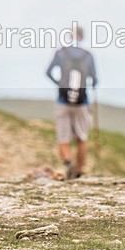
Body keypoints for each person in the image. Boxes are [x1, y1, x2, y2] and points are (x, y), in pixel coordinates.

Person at [46, 25, 97, 179]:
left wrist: (59, 84)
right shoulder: (88, 55)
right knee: (82, 138)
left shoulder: (61, 52)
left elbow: (48, 72)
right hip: (82, 102)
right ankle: (79, 170)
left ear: (70, 36)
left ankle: (68, 162)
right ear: (82, 37)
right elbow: (94, 80)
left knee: (63, 138)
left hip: (63, 100)